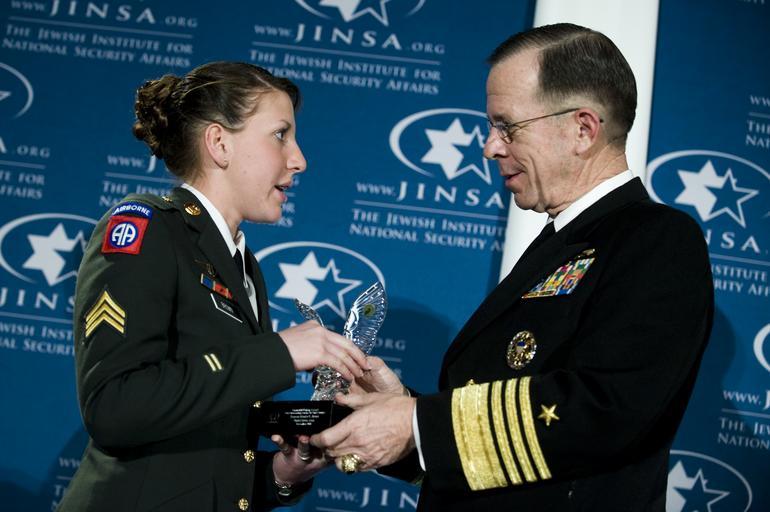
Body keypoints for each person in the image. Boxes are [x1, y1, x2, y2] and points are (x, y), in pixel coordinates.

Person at [311, 23, 714, 511]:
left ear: (583, 130)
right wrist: (402, 414)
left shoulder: (656, 239)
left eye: (507, 126)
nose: (490, 146)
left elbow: (605, 410)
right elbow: (511, 445)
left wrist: (416, 423)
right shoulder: (567, 240)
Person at [58, 61, 369, 512]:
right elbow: (114, 407)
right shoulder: (148, 228)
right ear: (220, 144)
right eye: (280, 135)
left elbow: (203, 457)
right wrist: (279, 353)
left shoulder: (243, 266)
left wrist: (281, 475)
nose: (299, 159)